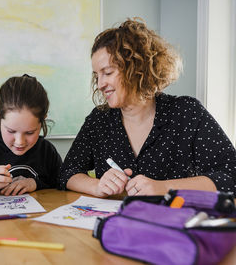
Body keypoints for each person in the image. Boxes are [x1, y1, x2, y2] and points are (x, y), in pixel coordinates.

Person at [59, 18, 236, 198]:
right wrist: (96, 186)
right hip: (115, 224)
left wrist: (164, 188)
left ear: (137, 68)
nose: (100, 83)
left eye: (108, 72)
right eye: (97, 75)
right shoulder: (99, 119)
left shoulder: (186, 112)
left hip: (172, 223)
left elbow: (230, 175)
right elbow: (67, 172)